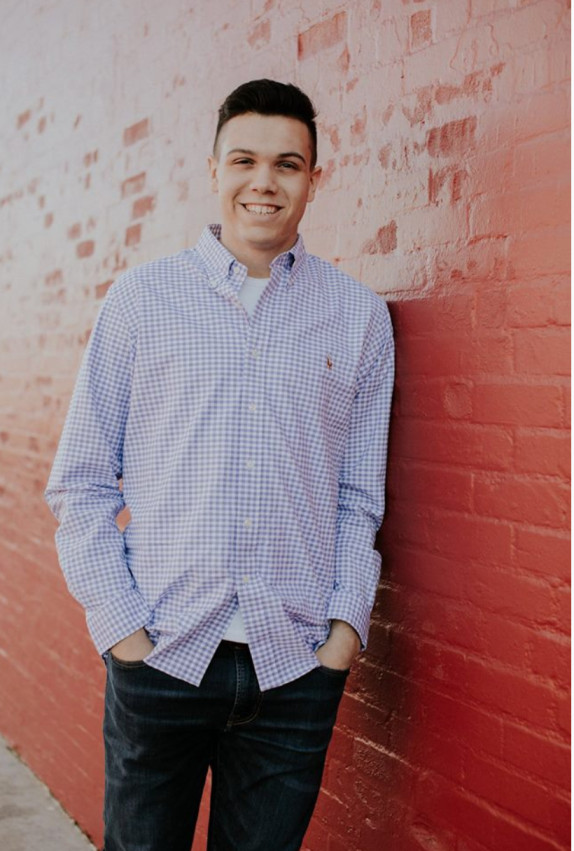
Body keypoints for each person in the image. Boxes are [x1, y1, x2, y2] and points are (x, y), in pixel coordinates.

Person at [45, 78, 394, 851]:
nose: (264, 182)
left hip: (294, 669)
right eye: (244, 160)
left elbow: (358, 497)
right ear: (213, 170)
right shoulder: (141, 302)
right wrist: (123, 630)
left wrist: (342, 637)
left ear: (314, 178)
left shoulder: (359, 316)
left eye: (287, 164)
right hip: (162, 656)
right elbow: (81, 481)